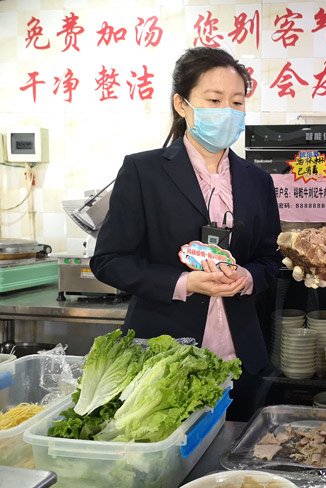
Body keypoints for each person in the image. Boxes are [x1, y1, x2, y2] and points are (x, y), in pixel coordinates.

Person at [90, 47, 282, 422]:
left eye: (237, 102)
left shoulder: (257, 180)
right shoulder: (143, 171)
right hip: (162, 353)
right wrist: (186, 282)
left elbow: (269, 259)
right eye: (214, 100)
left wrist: (247, 277)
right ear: (182, 104)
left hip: (240, 350)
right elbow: (109, 261)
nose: (227, 111)